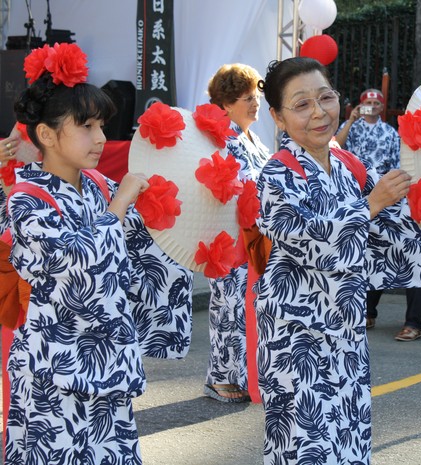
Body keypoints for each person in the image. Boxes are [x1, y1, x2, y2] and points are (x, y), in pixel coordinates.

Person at [254, 56, 421, 465]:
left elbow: (390, 227)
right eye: (301, 105)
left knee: (348, 436)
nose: (319, 112)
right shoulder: (277, 173)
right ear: (278, 117)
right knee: (305, 444)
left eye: (325, 97)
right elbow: (307, 240)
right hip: (297, 335)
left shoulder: (348, 165)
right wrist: (370, 205)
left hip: (345, 331)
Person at [4, 43, 193, 464]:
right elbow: (81, 267)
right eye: (87, 126)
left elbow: (148, 260)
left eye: (101, 125)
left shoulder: (101, 188)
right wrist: (121, 205)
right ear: (48, 135)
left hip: (109, 364)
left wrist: (193, 236)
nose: (101, 138)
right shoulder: (26, 200)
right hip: (53, 369)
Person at [335, 88, 421, 340]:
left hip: (385, 194)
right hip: (353, 194)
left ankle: (411, 320)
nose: (372, 106)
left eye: (377, 103)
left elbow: (398, 163)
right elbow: (336, 147)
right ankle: (367, 311)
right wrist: (351, 119)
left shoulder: (389, 132)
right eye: (367, 102)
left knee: (387, 248)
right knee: (367, 251)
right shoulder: (349, 125)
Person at [202, 63, 270, 403]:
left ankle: (241, 374)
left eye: (256, 95)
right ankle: (221, 377)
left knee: (245, 307)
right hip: (230, 233)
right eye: (247, 97)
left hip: (253, 233)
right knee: (228, 306)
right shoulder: (222, 137)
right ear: (227, 103)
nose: (255, 102)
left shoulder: (251, 138)